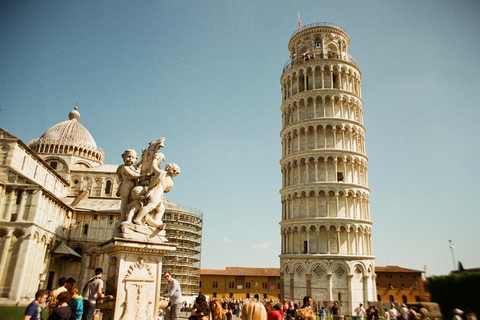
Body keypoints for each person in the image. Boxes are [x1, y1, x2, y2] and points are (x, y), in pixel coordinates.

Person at [116, 149, 143, 222]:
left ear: (135, 159)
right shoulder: (124, 167)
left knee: (131, 202)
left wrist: (143, 159)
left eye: (132, 157)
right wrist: (145, 175)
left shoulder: (132, 167)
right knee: (124, 202)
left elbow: (137, 165)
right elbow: (133, 175)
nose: (130, 159)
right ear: (124, 157)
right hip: (126, 186)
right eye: (128, 157)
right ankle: (123, 217)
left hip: (133, 185)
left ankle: (130, 217)